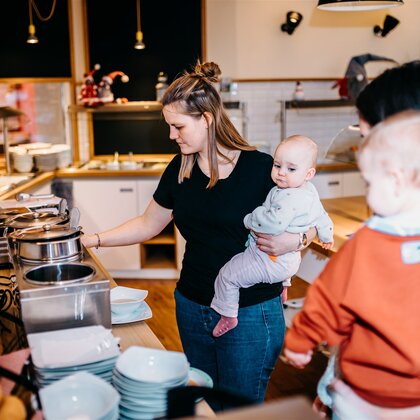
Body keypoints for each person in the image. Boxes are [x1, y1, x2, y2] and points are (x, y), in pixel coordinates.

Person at [82, 61, 317, 407]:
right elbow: (149, 223)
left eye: (177, 126)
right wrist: (94, 240)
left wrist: (294, 240)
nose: (171, 136)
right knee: (204, 404)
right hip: (192, 305)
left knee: (239, 410)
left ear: (206, 119)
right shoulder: (180, 168)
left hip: (251, 314)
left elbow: (311, 218)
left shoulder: (260, 169)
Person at [284, 110, 420, 419]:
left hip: (365, 396)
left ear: (396, 182)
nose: (367, 193)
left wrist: (300, 340)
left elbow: (328, 300)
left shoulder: (367, 244)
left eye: (369, 184)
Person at [211, 135, 334, 337]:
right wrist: (326, 234)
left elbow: (272, 223)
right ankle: (283, 287)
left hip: (270, 260)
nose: (281, 173)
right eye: (277, 165)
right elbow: (321, 215)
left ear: (309, 173)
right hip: (288, 262)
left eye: (291, 169)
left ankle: (228, 315)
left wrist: (250, 219)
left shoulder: (289, 198)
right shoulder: (309, 191)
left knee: (228, 276)